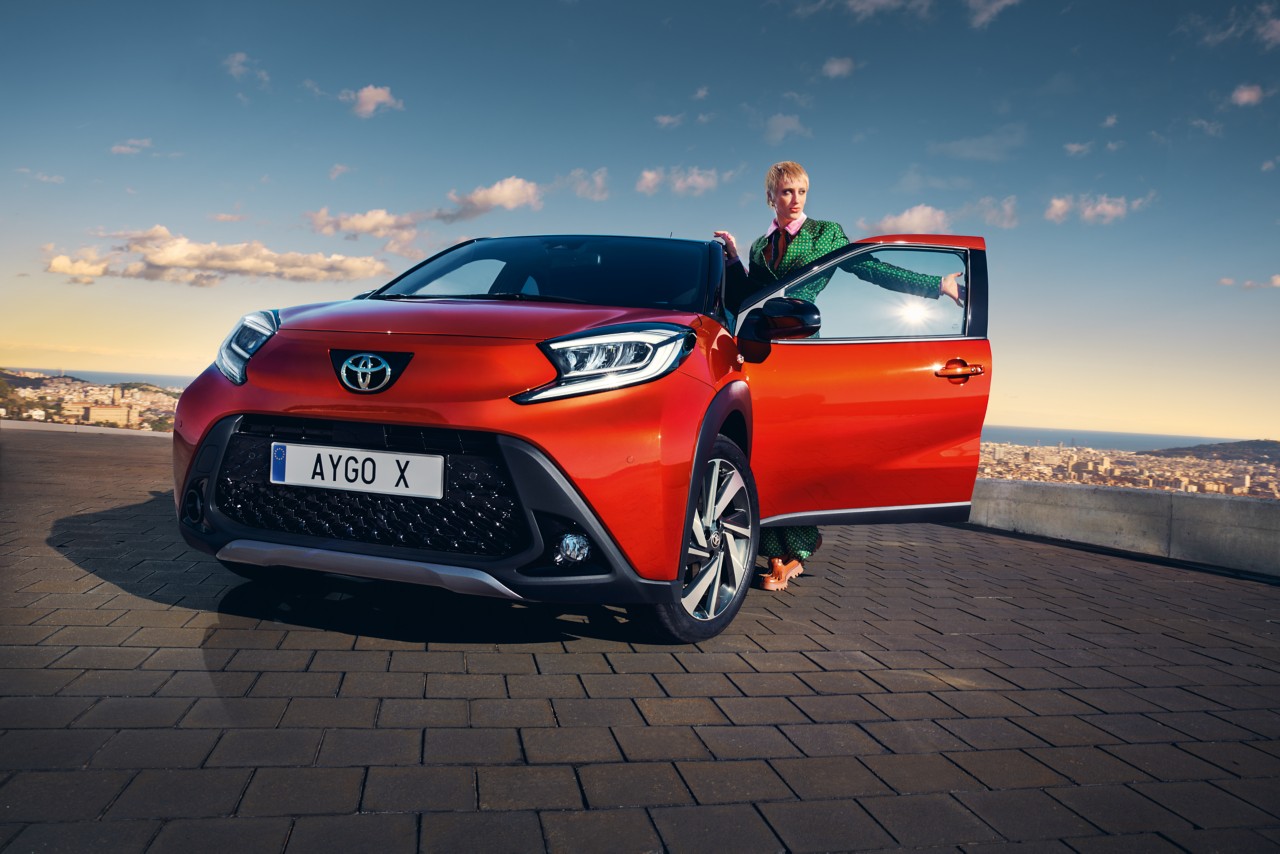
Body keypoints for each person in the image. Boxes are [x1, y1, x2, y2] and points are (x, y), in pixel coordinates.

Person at [715, 160, 963, 592]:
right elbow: (750, 297)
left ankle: (795, 550)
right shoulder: (760, 245)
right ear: (770, 196)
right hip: (763, 354)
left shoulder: (825, 234)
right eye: (787, 192)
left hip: (804, 353)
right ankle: (774, 550)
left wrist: (936, 285)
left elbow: (871, 268)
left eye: (802, 192)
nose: (795, 201)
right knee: (765, 451)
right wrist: (735, 259)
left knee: (796, 452)